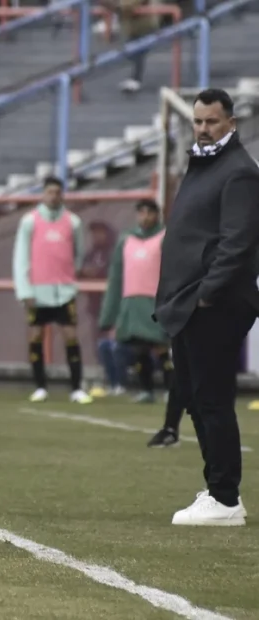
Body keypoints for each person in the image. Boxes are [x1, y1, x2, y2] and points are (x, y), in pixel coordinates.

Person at [155, 88, 259, 526]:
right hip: (189, 301)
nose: (202, 128)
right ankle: (219, 488)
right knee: (197, 398)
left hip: (214, 303)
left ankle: (225, 498)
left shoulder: (239, 172)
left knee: (212, 398)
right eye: (197, 121)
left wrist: (207, 293)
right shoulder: (201, 165)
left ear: (231, 123)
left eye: (211, 121)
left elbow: (237, 242)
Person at [98, 199, 184, 447]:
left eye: (150, 212)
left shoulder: (166, 237)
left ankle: (171, 391)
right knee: (137, 348)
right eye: (142, 213)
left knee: (160, 347)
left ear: (157, 215)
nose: (145, 217)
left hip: (156, 300)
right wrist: (109, 313)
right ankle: (146, 389)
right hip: (131, 301)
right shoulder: (126, 240)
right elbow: (116, 276)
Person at [12, 177, 92, 404]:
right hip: (37, 291)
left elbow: (78, 253)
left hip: (64, 291)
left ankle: (76, 388)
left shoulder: (73, 222)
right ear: (43, 194)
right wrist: (24, 290)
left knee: (70, 336)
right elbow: (21, 257)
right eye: (50, 192)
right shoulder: (30, 221)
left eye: (58, 192)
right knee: (36, 335)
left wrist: (70, 277)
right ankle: (40, 386)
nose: (54, 196)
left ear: (62, 194)